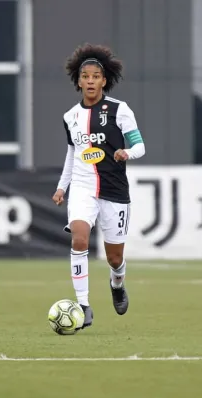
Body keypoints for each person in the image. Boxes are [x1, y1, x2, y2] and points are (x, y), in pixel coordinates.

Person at [52, 43, 146, 329]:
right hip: (82, 188)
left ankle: (117, 283)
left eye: (96, 77)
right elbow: (72, 154)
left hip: (114, 190)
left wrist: (126, 152)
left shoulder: (120, 110)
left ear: (104, 81)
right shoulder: (70, 117)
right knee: (79, 238)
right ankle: (83, 306)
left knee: (114, 257)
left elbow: (140, 146)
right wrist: (62, 187)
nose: (90, 81)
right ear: (79, 81)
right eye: (86, 77)